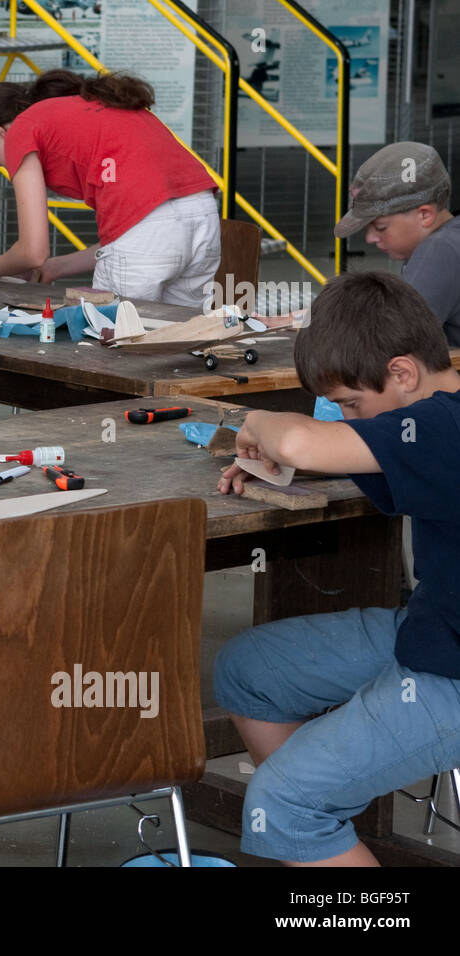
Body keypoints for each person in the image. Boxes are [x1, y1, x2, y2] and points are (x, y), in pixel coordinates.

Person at [215, 271, 460, 866]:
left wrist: (260, 428)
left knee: (284, 804)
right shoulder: (433, 412)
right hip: (436, 628)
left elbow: (300, 441)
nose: (347, 417)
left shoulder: (440, 426)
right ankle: (325, 830)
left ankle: (308, 818)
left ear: (403, 372)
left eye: (351, 404)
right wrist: (294, 458)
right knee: (251, 670)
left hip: (452, 667)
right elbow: (386, 452)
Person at [0, 69, 220, 307]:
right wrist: (57, 267)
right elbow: (148, 229)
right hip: (204, 217)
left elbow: (33, 251)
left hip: (152, 234)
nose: (9, 169)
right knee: (184, 338)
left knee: (115, 343)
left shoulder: (21, 129)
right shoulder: (88, 108)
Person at [333, 141, 460, 345]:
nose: (370, 238)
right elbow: (385, 311)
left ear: (425, 215)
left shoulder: (440, 249)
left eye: (381, 227)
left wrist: (316, 322)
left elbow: (392, 339)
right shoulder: (452, 237)